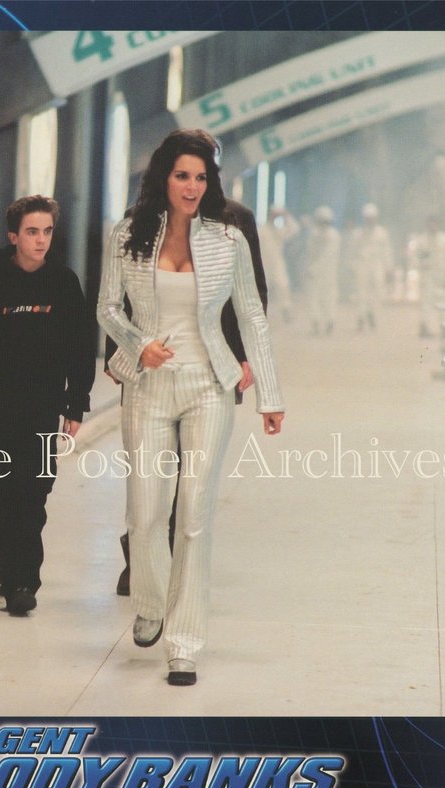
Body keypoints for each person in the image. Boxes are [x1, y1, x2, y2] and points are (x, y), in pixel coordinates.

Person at [98, 129, 285, 686]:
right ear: (164, 177)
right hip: (148, 387)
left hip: (208, 386)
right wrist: (138, 345)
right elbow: (108, 308)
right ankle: (150, 603)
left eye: (201, 178)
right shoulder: (128, 234)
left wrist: (270, 393)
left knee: (195, 514)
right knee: (145, 514)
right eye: (183, 175)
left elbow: (251, 313)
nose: (192, 186)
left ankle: (184, 643)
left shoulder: (228, 240)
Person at [107, 196, 267, 596]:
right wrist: (122, 350)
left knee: (194, 472)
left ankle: (176, 561)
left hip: (212, 362)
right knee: (148, 471)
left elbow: (251, 297)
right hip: (150, 362)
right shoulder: (138, 218)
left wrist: (244, 356)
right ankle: (141, 558)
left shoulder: (236, 221)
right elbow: (121, 296)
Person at [0, 195, 95, 616]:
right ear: (13, 236)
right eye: (32, 232)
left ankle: (24, 580)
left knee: (34, 491)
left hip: (43, 405)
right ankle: (9, 566)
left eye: (47, 232)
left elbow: (80, 347)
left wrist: (76, 404)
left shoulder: (63, 283)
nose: (41, 240)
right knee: (0, 488)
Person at [410, 213, 445, 337]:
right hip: (427, 277)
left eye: (434, 223)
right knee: (426, 303)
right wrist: (420, 264)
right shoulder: (422, 241)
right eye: (430, 224)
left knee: (444, 302)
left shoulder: (444, 240)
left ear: (437, 225)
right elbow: (415, 257)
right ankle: (425, 327)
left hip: (442, 276)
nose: (432, 226)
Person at [352, 202, 393, 331]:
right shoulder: (359, 234)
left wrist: (388, 268)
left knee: (377, 292)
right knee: (361, 292)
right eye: (367, 218)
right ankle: (361, 316)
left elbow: (386, 251)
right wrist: (354, 266)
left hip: (377, 265)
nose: (370, 221)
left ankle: (372, 313)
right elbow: (353, 252)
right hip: (363, 265)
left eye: (372, 218)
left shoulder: (382, 233)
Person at [256, 206, 299, 324]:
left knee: (283, 286)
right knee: (262, 289)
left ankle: (286, 309)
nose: (274, 217)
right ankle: (259, 314)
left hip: (277, 263)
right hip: (263, 264)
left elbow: (295, 229)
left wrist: (285, 214)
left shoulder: (279, 231)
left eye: (276, 215)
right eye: (273, 214)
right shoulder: (261, 230)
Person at [305, 205, 341, 336]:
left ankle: (330, 320)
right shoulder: (314, 234)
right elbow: (310, 254)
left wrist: (313, 269)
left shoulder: (333, 235)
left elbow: (328, 256)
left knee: (329, 297)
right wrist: (308, 268)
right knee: (314, 298)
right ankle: (316, 321)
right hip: (315, 273)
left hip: (328, 273)